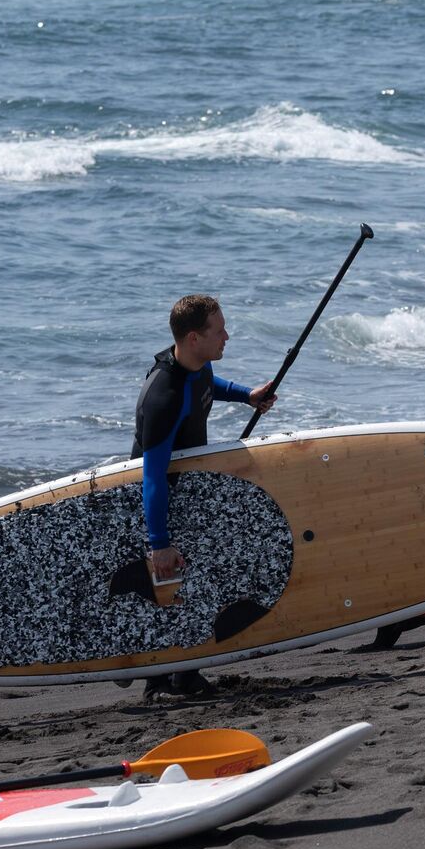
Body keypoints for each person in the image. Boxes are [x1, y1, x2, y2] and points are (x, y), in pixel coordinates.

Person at [130, 295, 275, 698]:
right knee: (167, 587)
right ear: (194, 338)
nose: (227, 336)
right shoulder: (165, 396)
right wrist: (159, 542)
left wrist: (248, 395)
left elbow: (209, 385)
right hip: (161, 501)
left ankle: (186, 673)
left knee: (203, 579)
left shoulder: (197, 364)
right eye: (219, 330)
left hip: (189, 492)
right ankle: (157, 682)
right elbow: (152, 475)